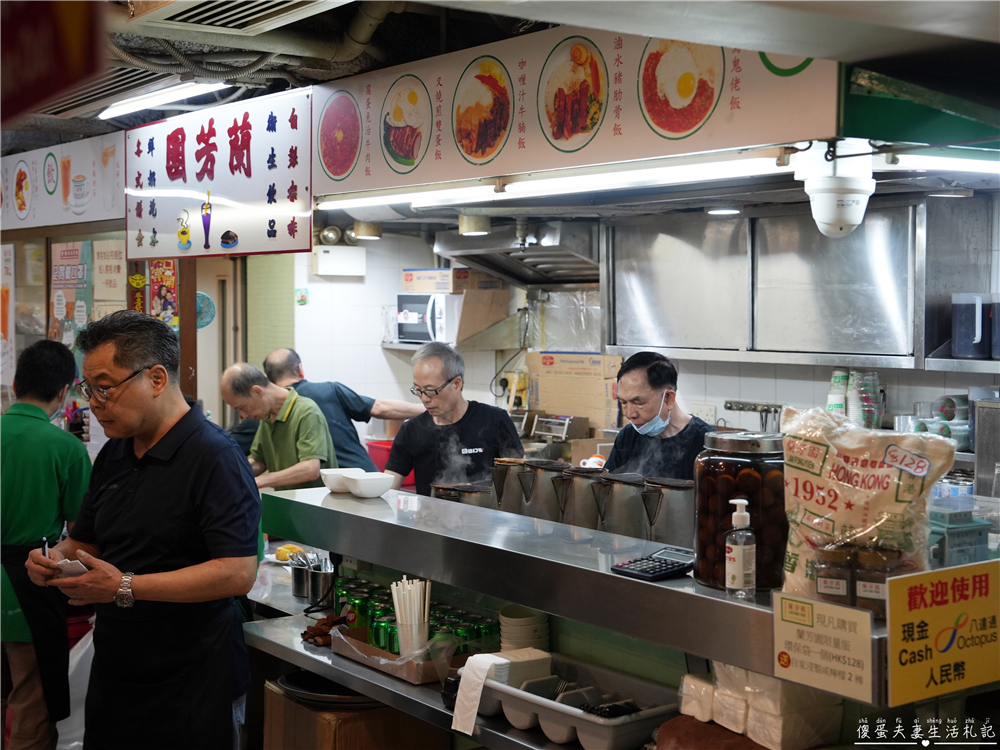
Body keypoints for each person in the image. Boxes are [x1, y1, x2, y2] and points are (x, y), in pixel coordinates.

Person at [23, 310, 261, 749]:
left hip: (191, 674)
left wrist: (125, 585)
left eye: (105, 386)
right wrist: (55, 558)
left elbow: (236, 572)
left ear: (155, 378)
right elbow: (86, 540)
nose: (93, 402)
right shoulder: (115, 454)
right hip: (118, 665)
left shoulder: (214, 456)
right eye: (86, 387)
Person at [2, 341, 91, 750]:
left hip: (18, 587)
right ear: (63, 393)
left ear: (16, 383)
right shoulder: (67, 449)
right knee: (31, 702)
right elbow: (83, 533)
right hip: (25, 590)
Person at [384, 342, 523, 495]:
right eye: (418, 390)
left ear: (456, 384)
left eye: (430, 390)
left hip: (486, 517)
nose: (424, 399)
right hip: (429, 518)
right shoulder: (411, 430)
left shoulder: (495, 420)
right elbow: (389, 485)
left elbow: (518, 479)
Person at [263, 348, 425, 471]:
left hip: (319, 490)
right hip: (360, 478)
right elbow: (380, 409)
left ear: (267, 379)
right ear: (300, 369)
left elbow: (257, 461)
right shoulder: (329, 390)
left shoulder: (267, 413)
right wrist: (428, 407)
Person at [221, 362, 337, 490]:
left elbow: (310, 469)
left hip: (314, 506)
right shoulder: (267, 417)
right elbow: (259, 461)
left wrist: (260, 481)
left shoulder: (306, 412)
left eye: (241, 408)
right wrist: (228, 477)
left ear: (257, 391)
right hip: (287, 504)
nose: (244, 416)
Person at [604, 352, 715, 480]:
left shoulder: (706, 446)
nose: (630, 414)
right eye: (623, 402)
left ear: (668, 398)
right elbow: (608, 488)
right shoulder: (627, 437)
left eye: (638, 403)